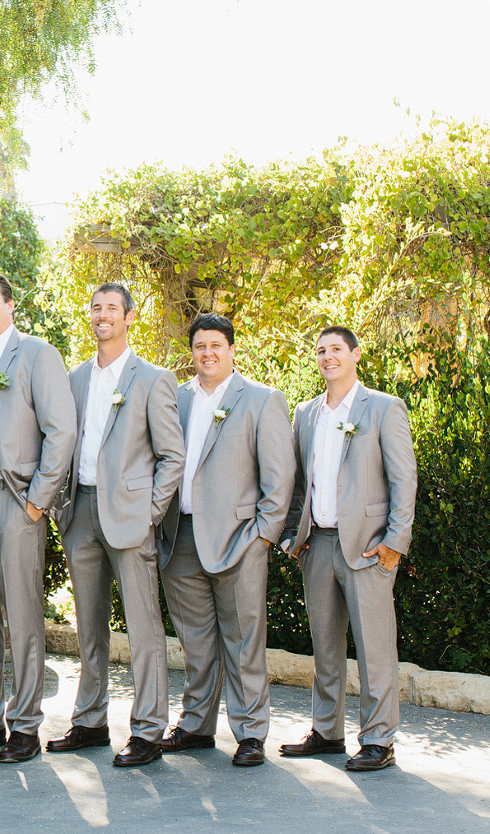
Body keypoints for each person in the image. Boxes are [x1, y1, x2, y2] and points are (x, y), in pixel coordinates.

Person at [47, 283, 186, 767]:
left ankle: (148, 730)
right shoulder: (75, 377)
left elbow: (172, 456)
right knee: (89, 627)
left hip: (129, 518)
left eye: (112, 308)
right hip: (80, 512)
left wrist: (148, 512)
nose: (102, 315)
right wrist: (61, 506)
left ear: (129, 316)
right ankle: (89, 721)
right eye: (96, 307)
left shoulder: (153, 378)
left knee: (144, 629)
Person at [0, 271, 77, 763]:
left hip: (14, 498)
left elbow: (61, 430)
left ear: (9, 305)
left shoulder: (37, 354)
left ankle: (25, 724)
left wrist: (38, 499)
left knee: (22, 617)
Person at [158, 313, 296, 767]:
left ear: (232, 349)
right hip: (180, 537)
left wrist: (262, 537)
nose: (208, 353)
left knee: (244, 640)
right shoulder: (174, 398)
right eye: (200, 346)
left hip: (240, 539)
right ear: (191, 351)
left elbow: (279, 479)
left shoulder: (260, 399)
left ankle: (250, 732)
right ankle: (197, 725)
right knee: (195, 640)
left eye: (216, 344)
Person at [278, 326, 416, 772]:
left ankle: (379, 740)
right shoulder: (305, 413)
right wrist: (292, 537)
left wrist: (395, 542)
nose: (327, 356)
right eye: (320, 350)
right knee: (325, 646)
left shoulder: (382, 408)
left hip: (368, 549)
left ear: (355, 355)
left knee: (374, 647)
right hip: (317, 544)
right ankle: (326, 732)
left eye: (336, 349)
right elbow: (300, 482)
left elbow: (403, 480)